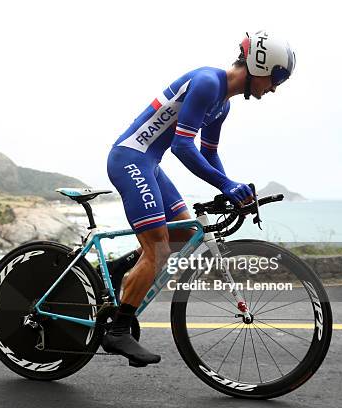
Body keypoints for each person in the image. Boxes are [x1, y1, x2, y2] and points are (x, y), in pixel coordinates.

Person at [102, 31, 296, 366]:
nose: (275, 87)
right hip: (130, 159)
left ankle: (116, 271)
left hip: (149, 164)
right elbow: (181, 146)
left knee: (181, 234)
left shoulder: (222, 105)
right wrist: (225, 184)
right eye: (276, 78)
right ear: (258, 65)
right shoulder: (208, 82)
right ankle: (118, 331)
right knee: (158, 248)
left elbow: (209, 153)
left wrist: (231, 188)